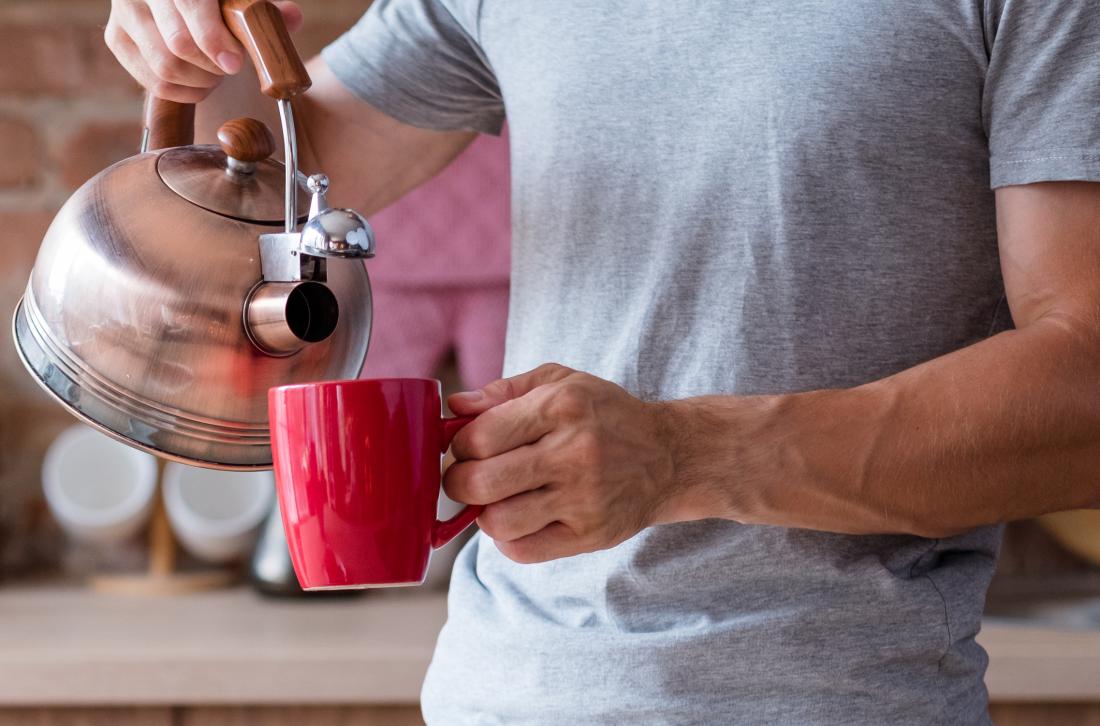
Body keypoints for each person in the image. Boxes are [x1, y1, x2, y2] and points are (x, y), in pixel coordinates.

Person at [105, 1, 1100, 723]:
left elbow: (1084, 387)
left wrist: (684, 455)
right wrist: (201, 49)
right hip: (499, 696)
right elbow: (259, 211)